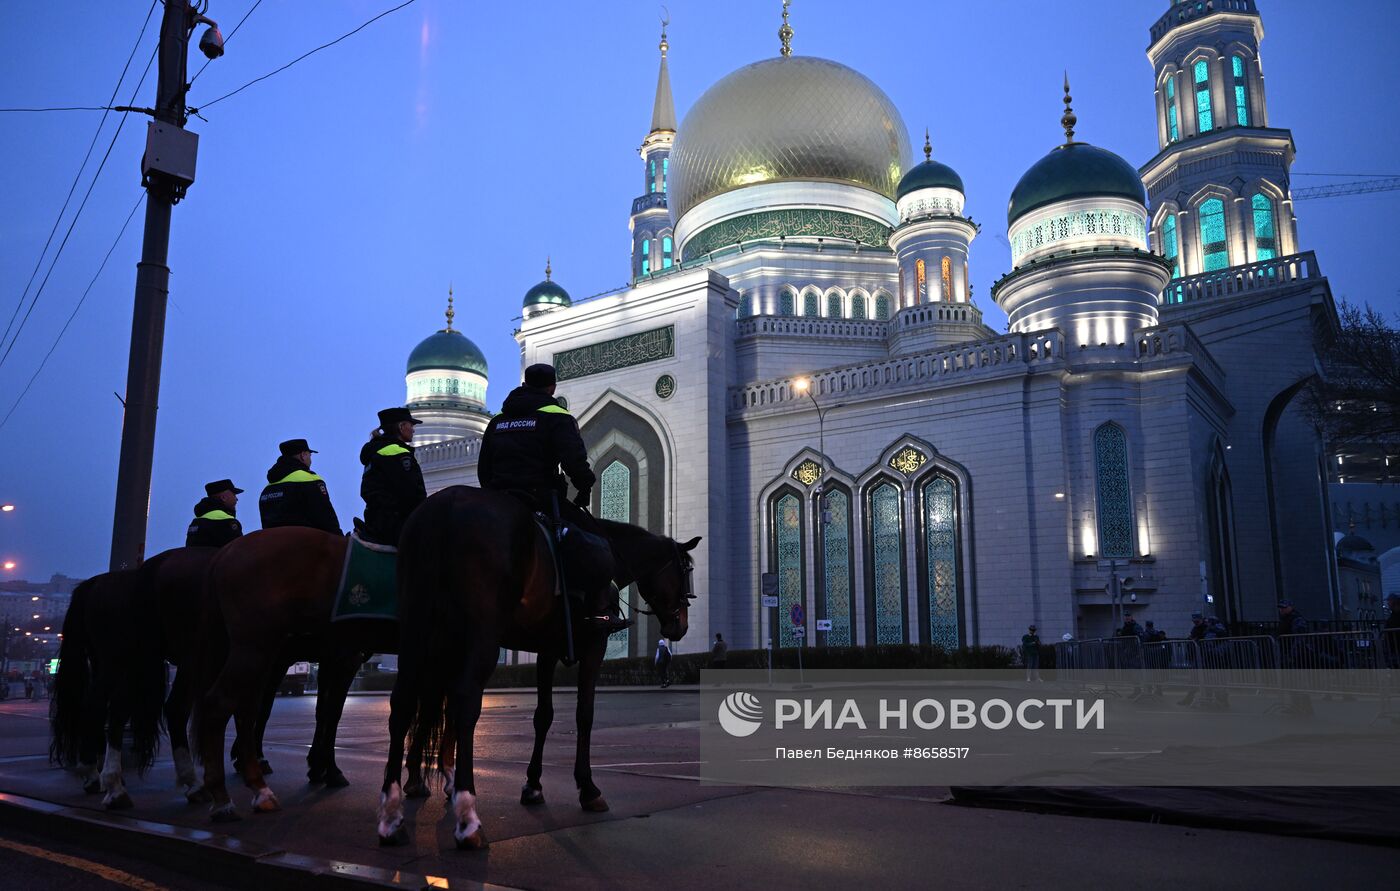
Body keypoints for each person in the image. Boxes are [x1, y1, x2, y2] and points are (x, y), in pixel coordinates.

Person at [478, 363, 625, 633]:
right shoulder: (556, 415)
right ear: (552, 387)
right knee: (595, 541)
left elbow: (483, 469)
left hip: (498, 498)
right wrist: (584, 486)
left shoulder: (498, 420)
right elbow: (574, 460)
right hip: (539, 497)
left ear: (524, 385)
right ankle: (597, 614)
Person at [358, 408, 427, 546]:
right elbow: (412, 494)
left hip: (375, 520)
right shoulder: (398, 453)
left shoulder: (375, 452)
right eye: (411, 425)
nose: (413, 429)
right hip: (397, 524)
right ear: (401, 427)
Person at [259, 438, 341, 534]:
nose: (310, 460)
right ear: (303, 455)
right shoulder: (310, 479)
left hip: (272, 545)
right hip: (305, 544)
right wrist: (339, 538)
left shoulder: (267, 489)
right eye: (310, 455)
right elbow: (326, 517)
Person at [186, 479, 244, 548]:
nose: (236, 499)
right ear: (223, 498)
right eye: (234, 494)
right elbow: (239, 552)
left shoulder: (196, 522)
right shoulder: (227, 522)